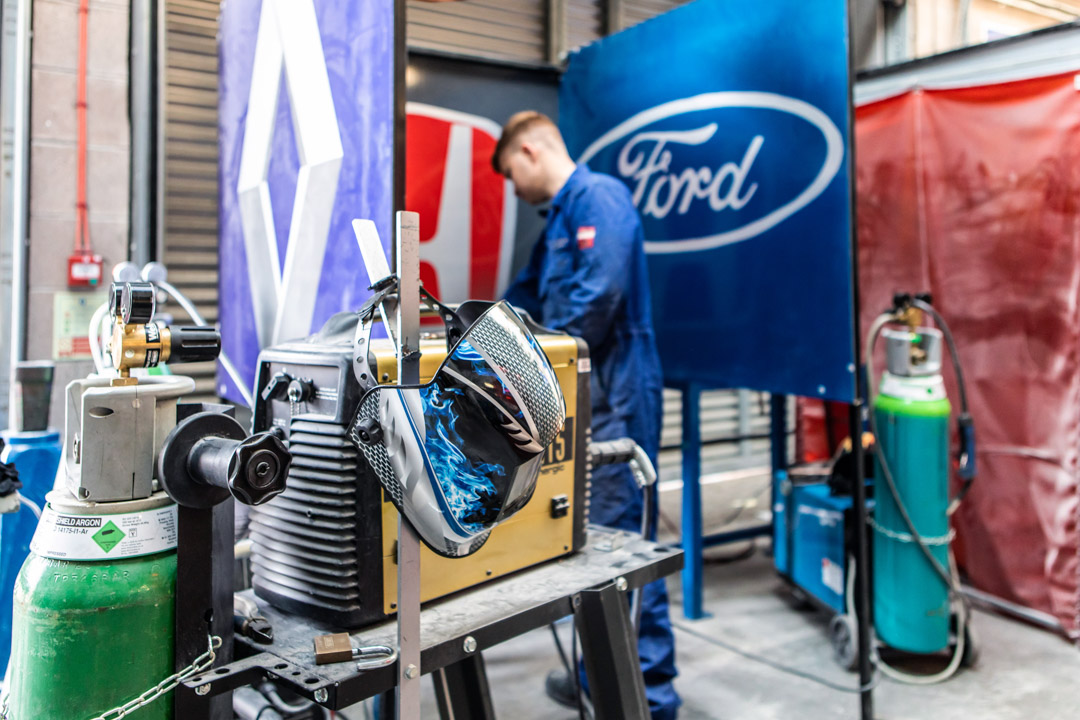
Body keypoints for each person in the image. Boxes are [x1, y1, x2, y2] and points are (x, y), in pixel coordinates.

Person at [493, 111, 680, 720]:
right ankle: (595, 674)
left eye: (509, 174)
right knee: (582, 540)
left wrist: (534, 371)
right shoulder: (556, 224)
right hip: (581, 398)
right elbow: (520, 299)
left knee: (622, 542)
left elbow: (595, 298)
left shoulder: (600, 197)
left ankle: (648, 694)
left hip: (618, 395)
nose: (512, 188)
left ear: (529, 150)